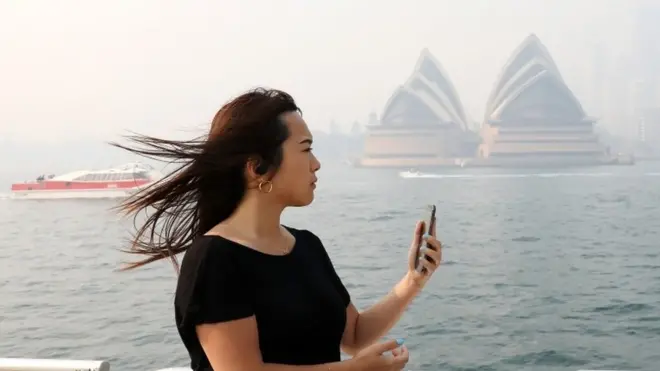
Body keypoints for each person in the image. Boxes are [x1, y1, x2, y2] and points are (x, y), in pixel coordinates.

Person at [113, 88, 443, 371]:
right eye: (305, 148)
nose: (316, 163)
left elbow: (354, 335)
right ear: (258, 168)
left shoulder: (307, 246)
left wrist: (412, 282)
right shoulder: (214, 259)